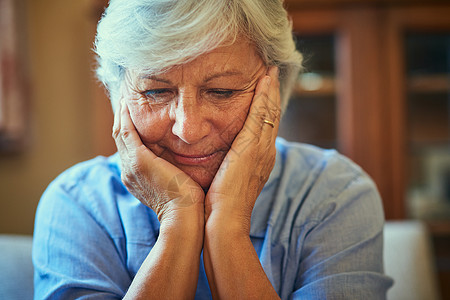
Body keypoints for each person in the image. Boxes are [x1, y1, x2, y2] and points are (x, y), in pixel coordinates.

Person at [32, 0, 393, 299]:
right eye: (156, 92)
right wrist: (178, 216)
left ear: (275, 90)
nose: (187, 129)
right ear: (118, 95)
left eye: (222, 92)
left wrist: (228, 225)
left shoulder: (335, 193)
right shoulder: (78, 203)